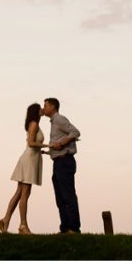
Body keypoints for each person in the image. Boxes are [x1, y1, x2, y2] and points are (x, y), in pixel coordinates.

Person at [0, 103, 49, 235]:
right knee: (25, 194)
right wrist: (48, 145)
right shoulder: (34, 124)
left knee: (20, 192)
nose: (42, 109)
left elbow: (33, 144)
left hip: (31, 158)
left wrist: (42, 151)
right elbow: (31, 143)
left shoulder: (34, 123)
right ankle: (23, 225)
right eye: (40, 108)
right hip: (29, 160)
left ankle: (5, 220)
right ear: (36, 111)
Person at [42, 97, 81, 234]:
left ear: (53, 106)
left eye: (45, 105)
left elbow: (76, 132)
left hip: (65, 162)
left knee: (68, 195)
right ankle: (65, 228)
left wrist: (63, 143)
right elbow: (57, 144)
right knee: (60, 197)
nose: (43, 108)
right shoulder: (53, 122)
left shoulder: (59, 119)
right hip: (58, 162)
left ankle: (74, 228)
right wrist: (47, 152)